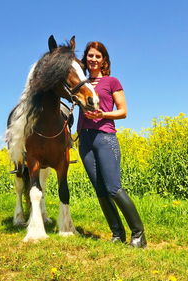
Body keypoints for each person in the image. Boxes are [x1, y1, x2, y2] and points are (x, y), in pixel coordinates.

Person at [77, 41, 146, 248]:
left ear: (104, 60)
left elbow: (123, 111)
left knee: (113, 187)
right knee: (99, 189)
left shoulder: (112, 82)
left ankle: (139, 235)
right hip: (85, 138)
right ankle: (117, 234)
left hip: (105, 136)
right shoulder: (80, 84)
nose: (94, 60)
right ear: (86, 59)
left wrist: (103, 114)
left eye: (98, 56)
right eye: (90, 56)